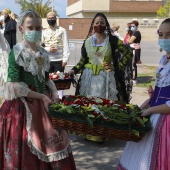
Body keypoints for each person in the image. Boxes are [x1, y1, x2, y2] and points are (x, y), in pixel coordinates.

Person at [0, 9, 76, 169]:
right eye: (30, 28)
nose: (34, 31)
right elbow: (13, 85)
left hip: (45, 103)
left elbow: (46, 78)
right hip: (24, 105)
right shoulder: (17, 53)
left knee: (52, 142)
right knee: (28, 146)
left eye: (37, 28)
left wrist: (54, 92)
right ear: (21, 29)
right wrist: (42, 97)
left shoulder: (43, 53)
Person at [69, 12, 132, 142]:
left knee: (103, 104)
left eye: (102, 23)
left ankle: (102, 132)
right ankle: (88, 131)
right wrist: (73, 70)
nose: (99, 25)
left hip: (106, 77)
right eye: (97, 23)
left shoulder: (112, 40)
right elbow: (82, 61)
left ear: (106, 25)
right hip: (89, 77)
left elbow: (127, 53)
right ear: (93, 25)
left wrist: (116, 66)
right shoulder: (87, 42)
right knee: (88, 103)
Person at [117, 18, 170, 170]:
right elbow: (160, 95)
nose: (164, 39)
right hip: (154, 115)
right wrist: (145, 105)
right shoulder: (164, 60)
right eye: (161, 35)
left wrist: (151, 110)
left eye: (169, 35)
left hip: (165, 122)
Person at [42, 11, 70, 99]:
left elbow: (66, 44)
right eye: (49, 18)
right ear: (47, 19)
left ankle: (60, 98)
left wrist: (65, 59)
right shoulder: (44, 32)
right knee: (48, 80)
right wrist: (48, 49)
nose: (51, 19)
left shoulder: (62, 30)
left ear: (56, 19)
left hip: (59, 60)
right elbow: (41, 46)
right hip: (48, 60)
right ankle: (49, 98)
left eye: (52, 18)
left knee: (60, 80)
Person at [126, 21, 141, 85]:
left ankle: (134, 79)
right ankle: (131, 77)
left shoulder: (136, 33)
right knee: (131, 64)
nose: (131, 27)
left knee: (133, 64)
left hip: (135, 49)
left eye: (133, 26)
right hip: (132, 48)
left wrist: (128, 40)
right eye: (131, 26)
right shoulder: (133, 32)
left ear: (136, 26)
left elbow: (130, 41)